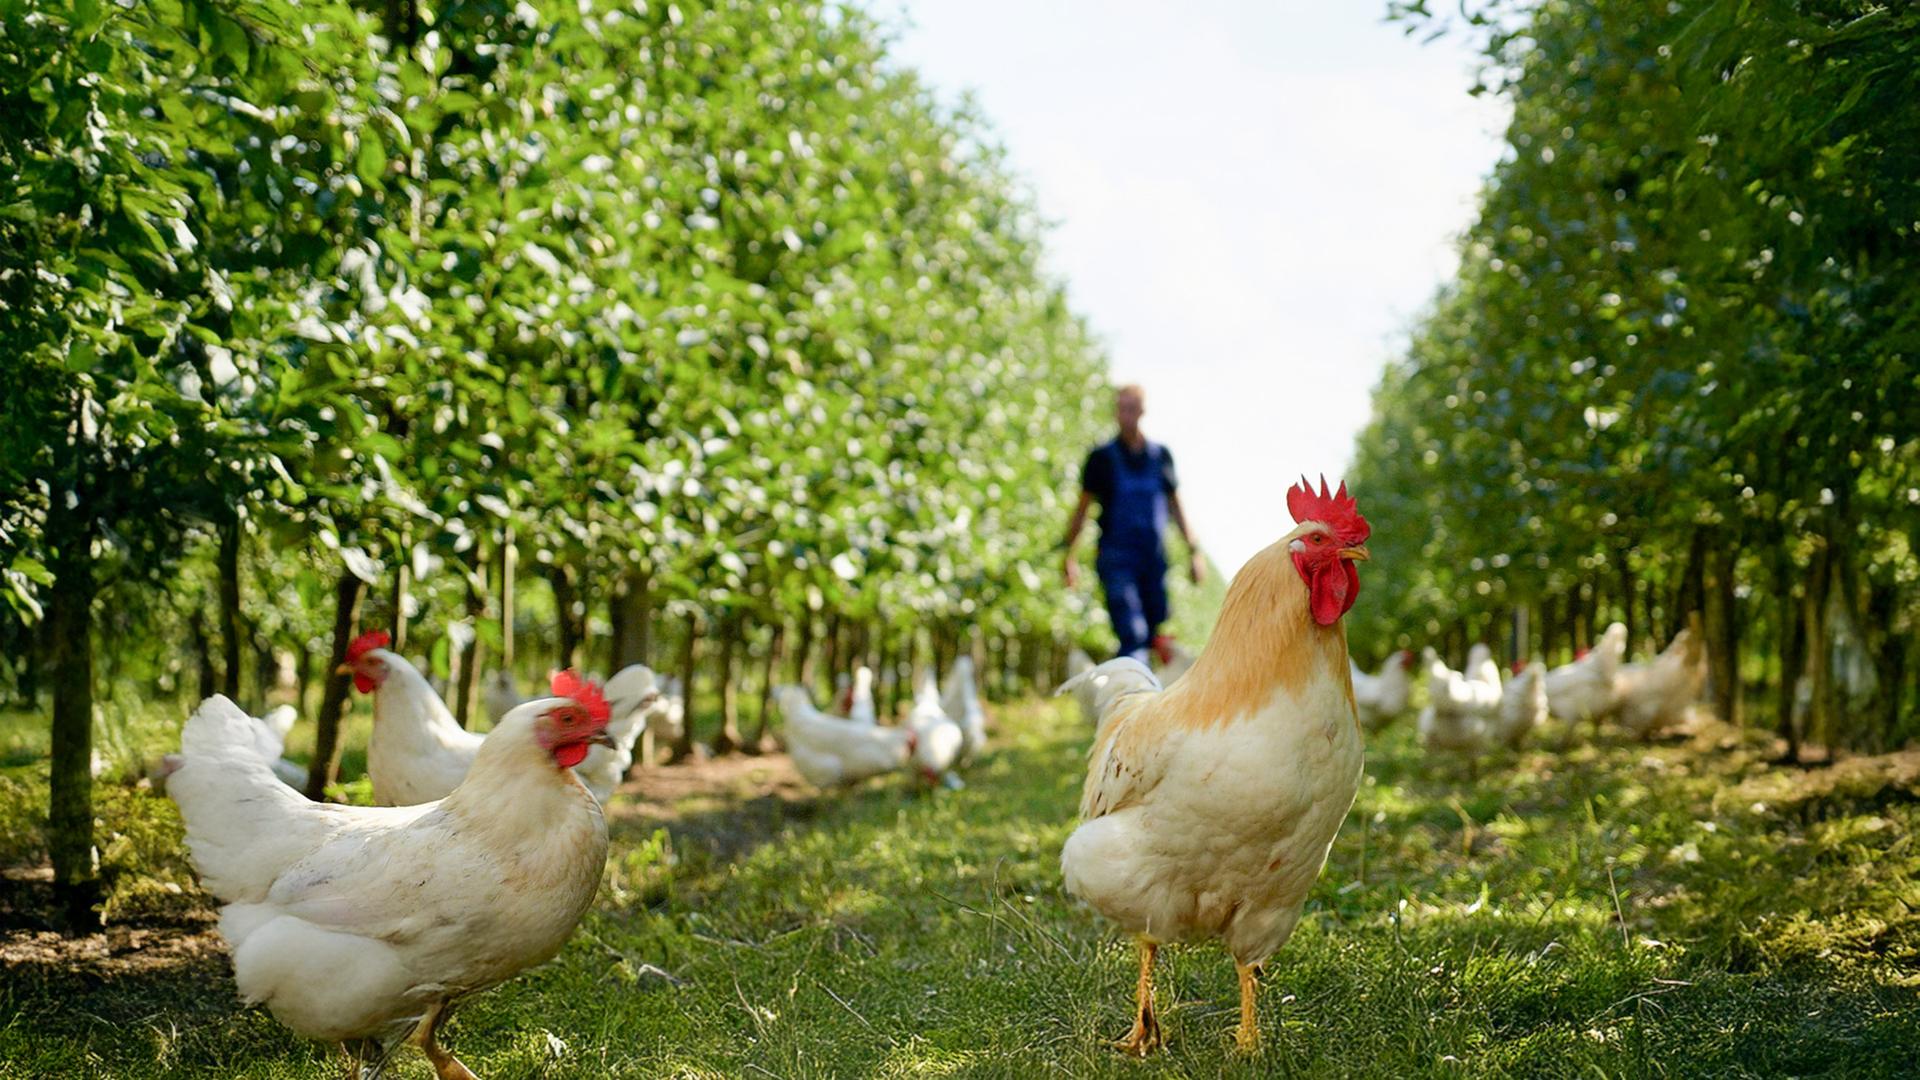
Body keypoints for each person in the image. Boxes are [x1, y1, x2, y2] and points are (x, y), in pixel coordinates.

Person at [1061, 385, 1204, 664]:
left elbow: (1176, 507)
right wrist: (1069, 556)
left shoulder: (1161, 456)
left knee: (1153, 630)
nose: (1125, 414)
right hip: (1116, 558)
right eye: (1121, 408)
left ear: (1142, 411)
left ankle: (1146, 694)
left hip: (1153, 558)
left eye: (1131, 408)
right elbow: (1082, 510)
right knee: (1132, 632)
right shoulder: (1101, 458)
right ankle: (1131, 699)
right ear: (1115, 412)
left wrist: (1194, 551)